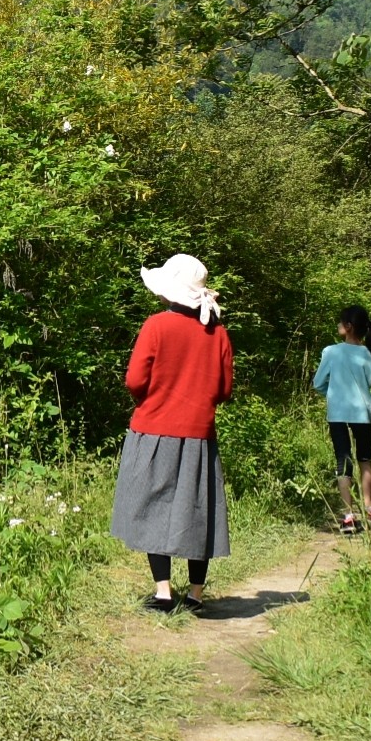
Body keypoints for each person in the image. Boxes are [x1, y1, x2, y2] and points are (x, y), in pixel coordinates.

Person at [110, 253, 233, 613]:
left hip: (154, 429)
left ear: (170, 292)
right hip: (199, 434)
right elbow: (224, 391)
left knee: (153, 506)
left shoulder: (156, 326)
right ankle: (195, 595)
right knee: (198, 508)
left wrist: (148, 399)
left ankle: (163, 592)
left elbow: (134, 379)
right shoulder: (218, 333)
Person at [313, 304, 371, 534]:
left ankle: (349, 517)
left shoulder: (331, 352)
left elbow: (318, 383)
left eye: (340, 322)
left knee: (343, 462)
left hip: (337, 414)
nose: (338, 325)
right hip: (363, 415)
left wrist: (332, 395)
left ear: (348, 327)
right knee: (365, 460)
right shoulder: (369, 355)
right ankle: (369, 510)